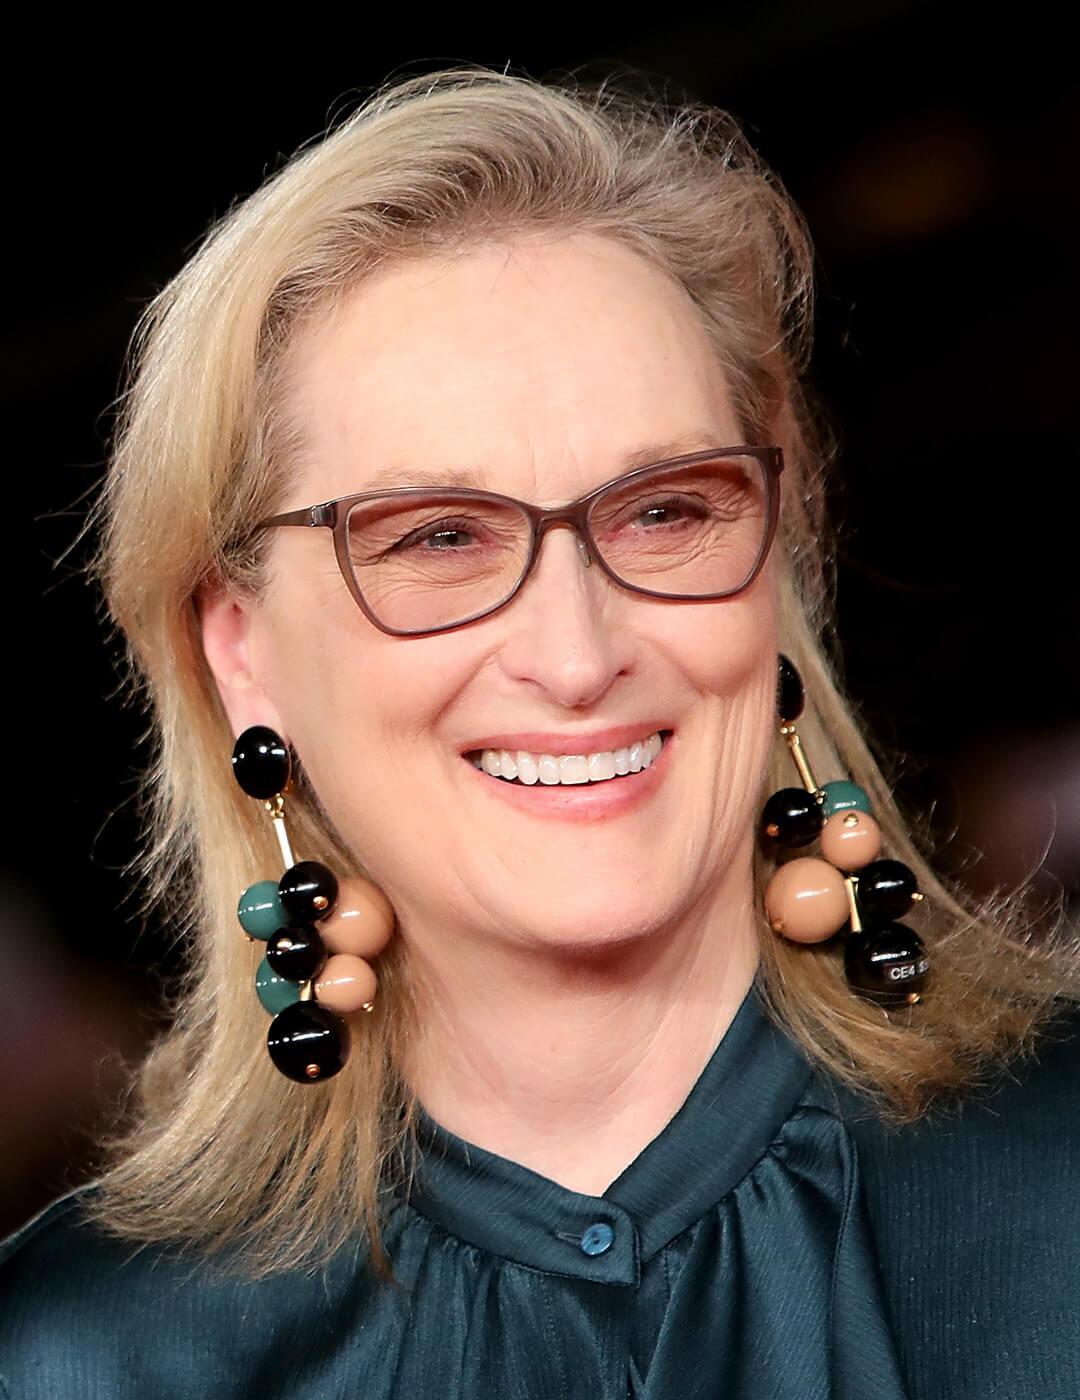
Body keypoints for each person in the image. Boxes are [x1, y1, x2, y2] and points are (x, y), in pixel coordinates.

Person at [3, 64, 1079, 1400]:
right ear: (244, 648)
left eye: (665, 512)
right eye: (438, 538)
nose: (577, 655)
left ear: (779, 557)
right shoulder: (82, 1361)